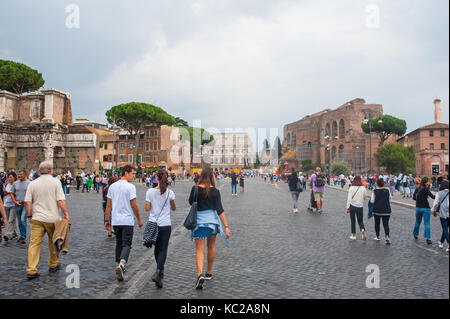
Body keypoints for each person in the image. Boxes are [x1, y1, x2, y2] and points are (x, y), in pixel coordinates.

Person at [24, 162, 70, 280]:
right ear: (51, 171)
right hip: (52, 219)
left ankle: (31, 269)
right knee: (53, 242)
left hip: (37, 219)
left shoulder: (32, 184)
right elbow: (60, 201)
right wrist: (66, 214)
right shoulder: (56, 182)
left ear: (39, 172)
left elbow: (27, 202)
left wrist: (29, 216)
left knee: (34, 244)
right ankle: (53, 264)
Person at [189, 168, 230, 289]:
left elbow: (191, 203)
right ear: (212, 176)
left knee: (199, 249)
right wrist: (226, 227)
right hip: (212, 223)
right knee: (211, 247)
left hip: (200, 222)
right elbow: (220, 210)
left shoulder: (195, 189)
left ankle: (200, 273)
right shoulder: (215, 191)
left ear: (201, 176)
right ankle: (209, 273)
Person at [104, 165, 143, 282]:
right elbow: (134, 205)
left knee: (119, 243)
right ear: (126, 173)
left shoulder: (112, 187)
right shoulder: (130, 187)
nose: (133, 176)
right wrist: (139, 219)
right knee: (127, 244)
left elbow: (108, 205)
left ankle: (119, 265)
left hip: (116, 220)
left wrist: (107, 220)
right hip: (127, 220)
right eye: (132, 174)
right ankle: (121, 265)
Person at [145, 170, 176, 288]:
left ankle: (159, 272)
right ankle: (159, 272)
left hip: (154, 223)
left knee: (157, 249)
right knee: (163, 249)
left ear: (156, 178)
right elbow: (173, 208)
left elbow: (147, 208)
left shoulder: (150, 192)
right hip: (165, 225)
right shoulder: (169, 193)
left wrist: (153, 204)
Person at [10, 170, 31, 244]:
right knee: (19, 221)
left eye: (21, 174)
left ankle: (24, 236)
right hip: (17, 204)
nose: (19, 176)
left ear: (25, 175)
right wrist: (15, 201)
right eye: (18, 174)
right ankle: (22, 235)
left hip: (26, 204)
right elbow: (11, 193)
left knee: (23, 219)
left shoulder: (29, 183)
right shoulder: (15, 183)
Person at [413, 177, 436, 244]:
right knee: (427, 223)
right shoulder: (426, 189)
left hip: (418, 207)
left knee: (417, 222)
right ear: (426, 182)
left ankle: (415, 234)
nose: (430, 183)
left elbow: (414, 197)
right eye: (429, 182)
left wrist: (419, 198)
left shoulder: (417, 188)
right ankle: (428, 238)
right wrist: (438, 196)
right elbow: (432, 196)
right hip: (426, 208)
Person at [370, 178, 392, 244]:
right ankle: (387, 236)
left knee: (377, 224)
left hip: (377, 210)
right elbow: (390, 199)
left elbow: (372, 200)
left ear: (377, 184)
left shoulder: (375, 191)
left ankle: (377, 236)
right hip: (386, 209)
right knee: (386, 224)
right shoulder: (387, 190)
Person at [346, 176, 367, 240]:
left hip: (353, 206)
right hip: (360, 206)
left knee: (353, 221)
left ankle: (353, 235)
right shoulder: (363, 188)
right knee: (360, 221)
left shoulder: (351, 188)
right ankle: (362, 229)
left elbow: (349, 199)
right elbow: (365, 197)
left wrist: (347, 207)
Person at [432, 180, 449, 252]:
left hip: (443, 212)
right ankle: (441, 242)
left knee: (445, 228)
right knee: (445, 229)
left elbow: (436, 203)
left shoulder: (439, 193)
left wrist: (434, 210)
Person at [2, 172, 19, 242]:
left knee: (10, 220)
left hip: (13, 204)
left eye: (11, 177)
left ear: (14, 178)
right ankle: (15, 233)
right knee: (12, 220)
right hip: (6, 204)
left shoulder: (16, 185)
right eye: (8, 177)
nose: (9, 179)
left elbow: (18, 194)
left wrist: (11, 193)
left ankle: (8, 234)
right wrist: (5, 192)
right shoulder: (6, 184)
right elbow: (3, 193)